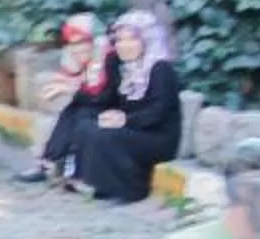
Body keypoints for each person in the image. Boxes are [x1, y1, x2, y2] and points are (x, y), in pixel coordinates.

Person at [73, 13, 182, 203]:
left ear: (147, 40)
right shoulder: (127, 68)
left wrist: (125, 120)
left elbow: (158, 111)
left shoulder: (160, 68)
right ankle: (101, 185)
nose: (123, 45)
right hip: (136, 128)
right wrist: (113, 115)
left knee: (107, 135)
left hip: (158, 136)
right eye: (119, 40)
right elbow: (114, 101)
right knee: (87, 126)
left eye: (132, 39)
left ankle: (134, 189)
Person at [17, 14, 108, 185]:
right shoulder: (74, 54)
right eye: (73, 42)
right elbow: (74, 75)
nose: (77, 47)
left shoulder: (106, 55)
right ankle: (44, 163)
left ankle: (52, 165)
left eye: (82, 41)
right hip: (86, 99)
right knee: (52, 110)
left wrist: (70, 87)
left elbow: (99, 88)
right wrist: (64, 84)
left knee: (73, 111)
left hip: (106, 104)